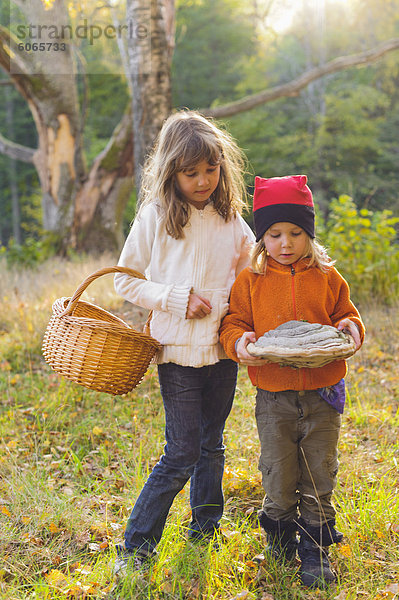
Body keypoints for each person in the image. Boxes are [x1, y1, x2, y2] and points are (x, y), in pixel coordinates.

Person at [113, 110, 255, 574]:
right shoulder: (155, 217)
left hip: (221, 350)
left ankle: (205, 531)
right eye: (190, 172)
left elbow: (251, 276)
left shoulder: (231, 220)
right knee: (181, 452)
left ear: (222, 167)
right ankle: (136, 547)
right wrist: (174, 298)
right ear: (171, 170)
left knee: (212, 444)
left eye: (211, 170)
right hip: (174, 351)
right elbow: (126, 282)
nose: (202, 181)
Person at [219, 175, 365, 589]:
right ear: (262, 237)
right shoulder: (250, 281)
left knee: (319, 471)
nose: (285, 243)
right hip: (274, 395)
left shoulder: (328, 277)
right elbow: (235, 323)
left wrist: (352, 328)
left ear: (310, 234)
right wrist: (239, 342)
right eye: (275, 234)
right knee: (279, 472)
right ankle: (281, 536)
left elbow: (346, 314)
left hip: (323, 393)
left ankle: (315, 551)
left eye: (296, 233)